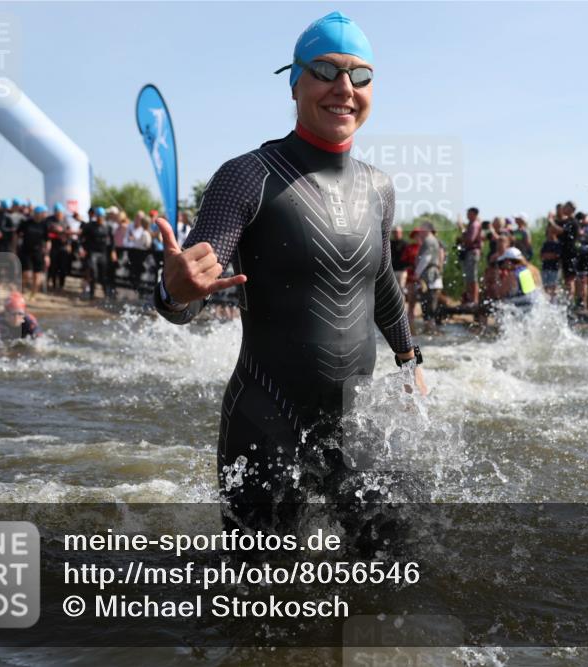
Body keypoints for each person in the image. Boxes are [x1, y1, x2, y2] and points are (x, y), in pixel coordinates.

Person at [152, 11, 425, 518]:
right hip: (266, 419)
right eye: (325, 70)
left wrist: (409, 361)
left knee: (390, 575)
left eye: (359, 75)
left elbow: (381, 279)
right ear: (294, 83)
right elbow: (191, 286)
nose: (343, 86)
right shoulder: (246, 177)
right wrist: (175, 294)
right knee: (257, 588)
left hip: (359, 424)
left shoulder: (379, 187)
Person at [80, 206, 116, 300]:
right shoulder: (89, 226)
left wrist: (113, 251)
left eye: (102, 216)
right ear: (96, 216)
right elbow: (81, 238)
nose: (100, 218)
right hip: (92, 252)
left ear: (104, 216)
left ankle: (105, 293)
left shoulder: (108, 227)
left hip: (103, 253)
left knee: (103, 274)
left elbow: (112, 241)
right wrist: (82, 249)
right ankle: (92, 293)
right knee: (93, 273)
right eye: (98, 216)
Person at [412, 225, 443, 328]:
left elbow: (426, 258)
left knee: (429, 304)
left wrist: (417, 273)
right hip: (430, 277)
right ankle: (430, 327)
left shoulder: (429, 241)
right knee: (428, 304)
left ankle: (431, 327)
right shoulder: (431, 241)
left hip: (430, 277)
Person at [18, 204, 51, 300]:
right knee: (26, 274)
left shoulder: (44, 225)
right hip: (26, 251)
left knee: (37, 275)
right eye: (43, 213)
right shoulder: (26, 223)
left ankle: (33, 295)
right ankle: (21, 291)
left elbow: (48, 241)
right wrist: (15, 247)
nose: (44, 215)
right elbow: (17, 234)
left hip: (39, 252)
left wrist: (47, 255)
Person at [458, 206, 482, 305]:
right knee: (469, 277)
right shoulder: (471, 224)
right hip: (470, 252)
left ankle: (474, 300)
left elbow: (470, 240)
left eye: (469, 213)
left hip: (472, 252)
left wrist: (462, 230)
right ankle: (470, 298)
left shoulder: (474, 225)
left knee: (472, 277)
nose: (467, 215)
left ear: (474, 214)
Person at [539, 220, 562, 301]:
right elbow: (541, 256)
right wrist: (549, 256)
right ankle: (547, 302)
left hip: (554, 268)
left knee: (553, 287)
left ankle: (554, 302)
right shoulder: (545, 243)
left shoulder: (557, 243)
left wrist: (548, 256)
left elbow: (556, 255)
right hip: (545, 268)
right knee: (545, 287)